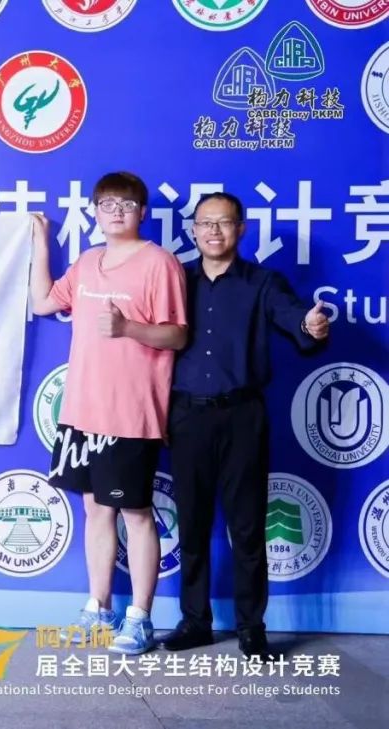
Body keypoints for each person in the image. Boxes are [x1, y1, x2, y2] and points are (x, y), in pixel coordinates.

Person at [160, 192, 329, 660]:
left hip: (243, 416)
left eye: (224, 222)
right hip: (187, 415)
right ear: (193, 230)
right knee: (192, 524)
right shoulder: (175, 279)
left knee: (248, 527)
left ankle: (252, 627)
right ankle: (195, 622)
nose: (214, 231)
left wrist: (311, 326)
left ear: (241, 229)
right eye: (205, 222)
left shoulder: (263, 282)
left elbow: (294, 318)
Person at [30, 172, 188, 655]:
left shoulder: (159, 263)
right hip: (82, 410)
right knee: (94, 510)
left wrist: (128, 328)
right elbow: (42, 302)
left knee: (136, 514)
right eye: (107, 203)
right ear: (95, 212)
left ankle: (140, 617)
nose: (117, 211)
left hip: (131, 413)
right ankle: (98, 611)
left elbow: (177, 334)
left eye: (127, 204)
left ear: (143, 212)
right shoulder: (87, 262)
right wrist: (40, 243)